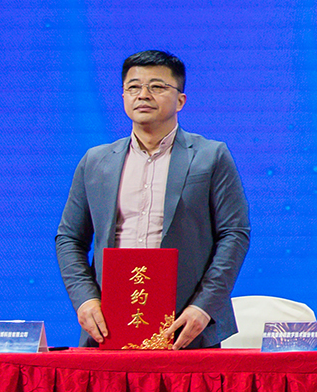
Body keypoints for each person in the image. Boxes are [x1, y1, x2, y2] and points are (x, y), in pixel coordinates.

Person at [55, 50, 249, 348]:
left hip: (185, 324)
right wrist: (85, 299)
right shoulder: (96, 161)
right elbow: (69, 238)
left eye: (157, 86)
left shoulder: (211, 156)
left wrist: (204, 307)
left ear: (180, 100)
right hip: (110, 324)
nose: (143, 95)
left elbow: (234, 234)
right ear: (123, 96)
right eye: (133, 87)